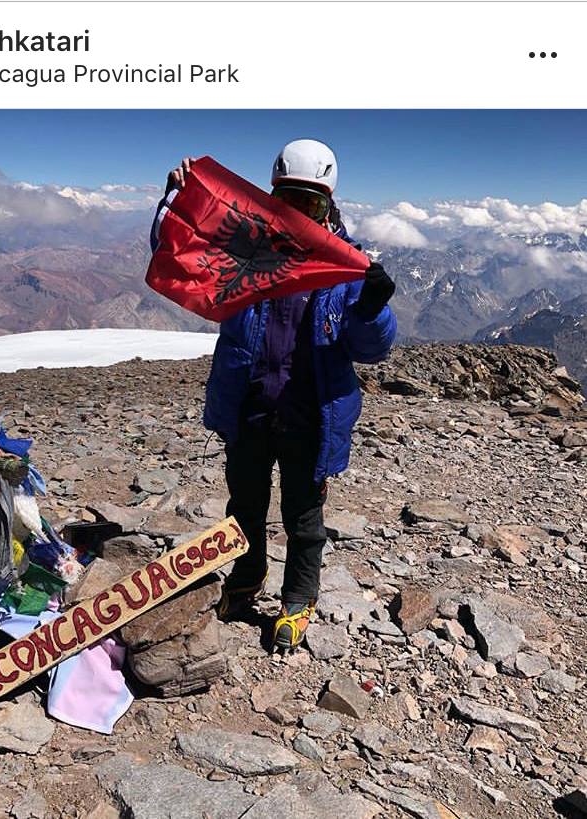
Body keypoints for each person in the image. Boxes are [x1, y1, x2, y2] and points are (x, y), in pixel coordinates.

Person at [154, 139, 397, 651]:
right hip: (251, 405)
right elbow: (182, 251)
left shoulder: (345, 266)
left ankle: (298, 597)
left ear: (328, 205)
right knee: (245, 503)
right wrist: (179, 200)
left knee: (303, 516)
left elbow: (371, 349)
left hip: (309, 415)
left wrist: (372, 309)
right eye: (287, 200)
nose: (298, 214)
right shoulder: (245, 247)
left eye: (310, 203)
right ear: (270, 198)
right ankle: (247, 577)